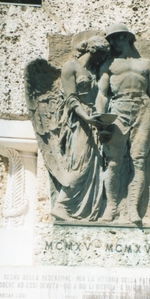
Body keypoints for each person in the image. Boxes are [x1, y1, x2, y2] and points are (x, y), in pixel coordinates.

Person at [96, 23, 150, 224]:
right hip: (118, 109)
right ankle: (112, 207)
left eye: (116, 37)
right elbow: (102, 94)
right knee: (113, 161)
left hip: (143, 110)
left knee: (139, 161)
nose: (113, 42)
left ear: (126, 37)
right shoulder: (109, 65)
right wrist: (100, 118)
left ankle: (133, 208)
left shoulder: (146, 64)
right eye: (110, 39)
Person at [51, 35, 110, 221]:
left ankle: (85, 210)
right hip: (78, 121)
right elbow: (71, 99)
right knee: (80, 164)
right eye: (102, 54)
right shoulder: (70, 67)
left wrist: (98, 119)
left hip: (93, 121)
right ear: (93, 50)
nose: (104, 58)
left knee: (94, 165)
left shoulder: (93, 72)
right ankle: (61, 205)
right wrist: (87, 118)